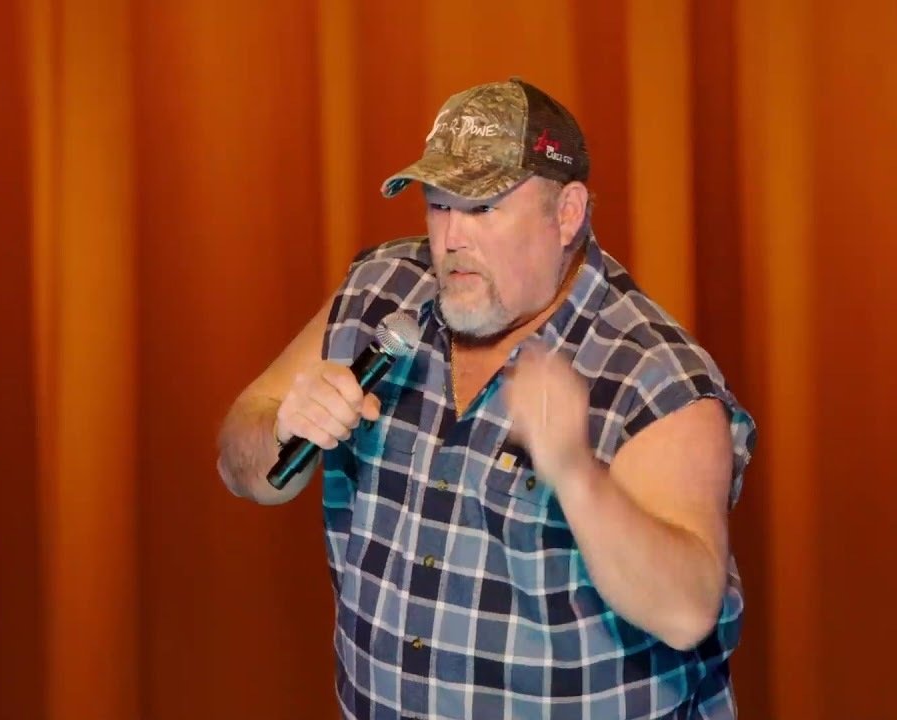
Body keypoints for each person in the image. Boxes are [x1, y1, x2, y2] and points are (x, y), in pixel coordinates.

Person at [216, 77, 757, 720]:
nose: (451, 239)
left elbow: (687, 612)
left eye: (482, 208)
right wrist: (284, 428)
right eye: (438, 205)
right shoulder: (380, 294)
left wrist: (576, 475)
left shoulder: (652, 375)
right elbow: (239, 465)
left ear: (567, 214)